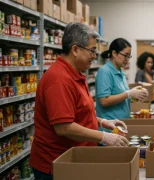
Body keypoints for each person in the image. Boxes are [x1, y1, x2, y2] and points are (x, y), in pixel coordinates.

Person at [29, 23, 129, 179]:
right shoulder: (60, 80)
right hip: (56, 165)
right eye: (92, 51)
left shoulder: (75, 74)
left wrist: (102, 122)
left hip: (74, 158)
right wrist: (104, 137)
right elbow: (64, 127)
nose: (95, 56)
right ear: (75, 50)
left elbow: (77, 113)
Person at [96, 38, 149, 132]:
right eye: (125, 55)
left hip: (121, 127)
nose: (127, 59)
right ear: (114, 53)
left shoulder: (120, 71)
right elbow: (104, 101)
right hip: (109, 129)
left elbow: (120, 95)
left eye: (129, 56)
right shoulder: (105, 72)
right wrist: (129, 93)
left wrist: (135, 94)